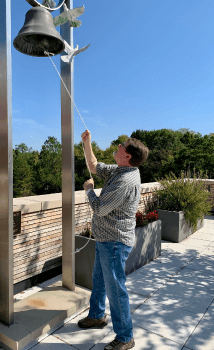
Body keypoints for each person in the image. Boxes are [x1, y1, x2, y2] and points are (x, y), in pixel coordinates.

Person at [78, 130, 149, 350]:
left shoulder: (125, 181)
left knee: (116, 290)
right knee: (98, 280)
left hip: (115, 243)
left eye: (121, 146)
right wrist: (87, 143)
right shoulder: (121, 170)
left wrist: (89, 190)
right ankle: (97, 316)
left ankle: (126, 337)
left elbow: (99, 208)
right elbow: (94, 166)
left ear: (127, 156)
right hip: (105, 239)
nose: (118, 146)